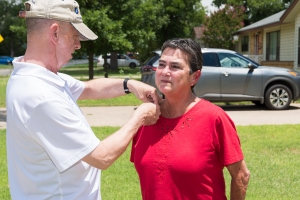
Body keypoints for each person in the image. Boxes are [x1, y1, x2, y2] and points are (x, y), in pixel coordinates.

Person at [6, 0, 161, 199]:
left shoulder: (34, 75)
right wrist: (139, 117)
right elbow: (102, 157)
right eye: (75, 36)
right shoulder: (41, 97)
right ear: (54, 33)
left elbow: (88, 89)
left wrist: (129, 84)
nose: (78, 44)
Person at [130, 38, 250, 200]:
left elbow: (241, 175)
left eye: (175, 66)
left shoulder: (214, 118)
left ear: (195, 77)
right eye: (161, 64)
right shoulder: (146, 118)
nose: (165, 72)